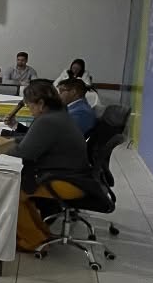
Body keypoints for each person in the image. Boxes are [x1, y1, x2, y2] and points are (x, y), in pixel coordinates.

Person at [5, 80, 95, 249]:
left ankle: (33, 241)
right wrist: (8, 141)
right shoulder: (60, 114)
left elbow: (25, 152)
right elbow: (31, 140)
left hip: (65, 181)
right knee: (21, 194)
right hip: (77, 177)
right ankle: (42, 234)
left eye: (30, 106)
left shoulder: (47, 121)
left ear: (40, 103)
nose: (30, 111)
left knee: (10, 192)